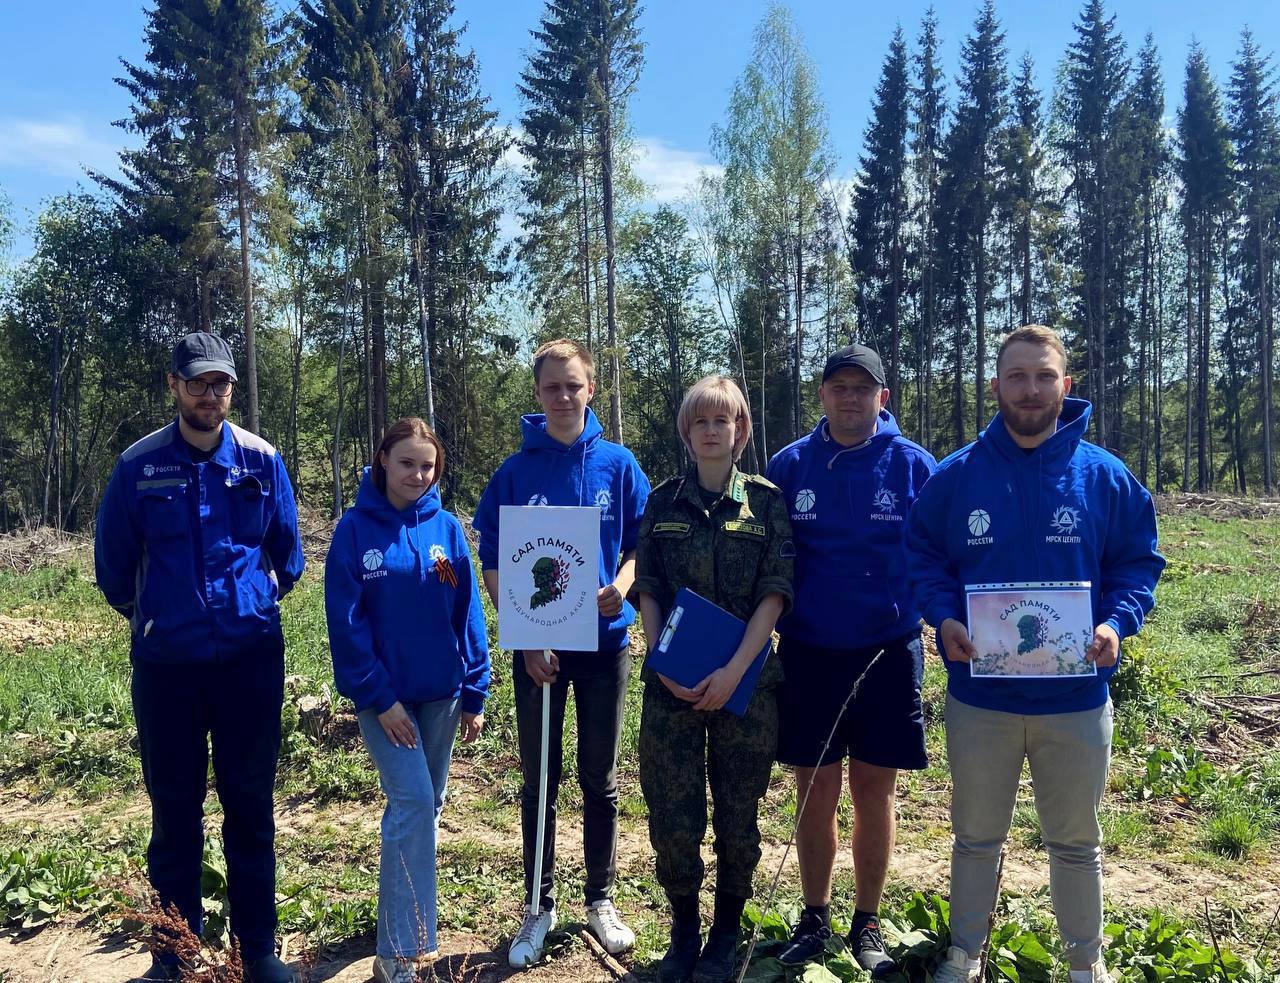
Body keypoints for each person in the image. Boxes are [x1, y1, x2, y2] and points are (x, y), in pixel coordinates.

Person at [904, 326, 1165, 983]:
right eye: (1016, 376)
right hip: (980, 700)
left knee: (1076, 842)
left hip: (1075, 700)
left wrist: (1116, 623)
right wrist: (944, 616)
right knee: (975, 838)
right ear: (995, 386)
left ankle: (1085, 964)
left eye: (1044, 376)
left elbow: (1138, 564)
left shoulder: (1103, 476)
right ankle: (965, 954)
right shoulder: (957, 476)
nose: (1030, 389)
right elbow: (922, 557)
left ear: (1065, 385)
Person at [94, 332, 305, 983]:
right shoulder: (138, 466)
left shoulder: (262, 460)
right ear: (174, 386)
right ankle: (174, 956)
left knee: (251, 807)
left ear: (231, 388)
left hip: (249, 663)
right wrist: (161, 617)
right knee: (174, 813)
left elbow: (288, 556)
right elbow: (113, 569)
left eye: (220, 383)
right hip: (168, 669)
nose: (209, 394)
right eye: (197, 383)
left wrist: (249, 605)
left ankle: (257, 951)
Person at [472, 339, 650, 968]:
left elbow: (641, 545)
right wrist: (523, 636)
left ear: (590, 389)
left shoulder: (619, 465)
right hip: (540, 652)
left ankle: (600, 899)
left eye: (573, 385)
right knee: (540, 780)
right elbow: (492, 558)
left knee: (600, 778)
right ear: (538, 393)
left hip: (604, 645)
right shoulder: (516, 472)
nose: (563, 396)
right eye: (552, 386)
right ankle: (538, 905)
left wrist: (622, 586)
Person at [765, 344, 936, 976]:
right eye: (838, 386)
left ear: (882, 398)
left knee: (874, 791)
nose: (849, 397)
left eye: (862, 388)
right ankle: (814, 916)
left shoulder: (914, 465)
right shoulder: (790, 466)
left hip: (889, 652)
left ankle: (867, 920)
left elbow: (939, 554)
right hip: (810, 653)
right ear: (822, 394)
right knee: (814, 791)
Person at [634, 375, 795, 983]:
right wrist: (664, 662)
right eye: (699, 421)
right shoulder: (662, 501)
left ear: (740, 430)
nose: (710, 431)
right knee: (672, 814)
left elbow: (774, 594)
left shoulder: (766, 503)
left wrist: (734, 671)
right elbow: (649, 587)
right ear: (686, 431)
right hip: (671, 691)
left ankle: (726, 933)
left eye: (721, 421)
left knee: (737, 815)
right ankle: (683, 933)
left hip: (744, 689)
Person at [324, 418, 491, 983]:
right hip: (386, 703)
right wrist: (379, 697)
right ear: (383, 461)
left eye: (427, 466)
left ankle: (401, 920)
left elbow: (467, 611)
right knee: (414, 802)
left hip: (442, 695)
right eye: (407, 464)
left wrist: (475, 689)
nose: (418, 475)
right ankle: (398, 953)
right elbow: (346, 625)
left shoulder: (446, 528)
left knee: (425, 805)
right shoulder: (354, 531)